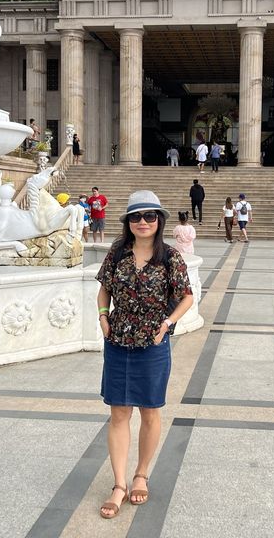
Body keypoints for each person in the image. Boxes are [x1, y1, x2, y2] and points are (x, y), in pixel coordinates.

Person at [96, 190, 193, 519]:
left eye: (149, 216)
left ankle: (141, 475)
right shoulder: (117, 253)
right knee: (119, 414)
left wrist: (168, 323)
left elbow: (187, 298)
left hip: (153, 345)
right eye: (135, 217)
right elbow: (104, 288)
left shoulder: (170, 257)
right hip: (118, 343)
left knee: (150, 411)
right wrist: (103, 316)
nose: (142, 222)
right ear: (127, 222)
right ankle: (119, 484)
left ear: (159, 220)